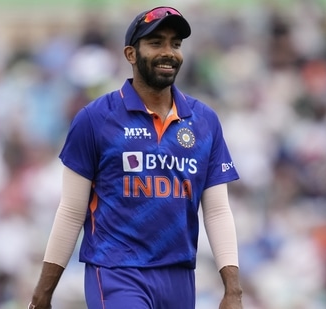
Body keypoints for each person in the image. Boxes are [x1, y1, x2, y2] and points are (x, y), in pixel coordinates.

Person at [28, 6, 243, 309]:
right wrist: (43, 292)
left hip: (179, 276)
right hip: (116, 272)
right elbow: (71, 211)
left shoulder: (204, 121)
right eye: (156, 43)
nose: (169, 52)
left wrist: (233, 290)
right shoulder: (95, 119)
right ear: (131, 54)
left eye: (175, 44)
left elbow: (218, 211)